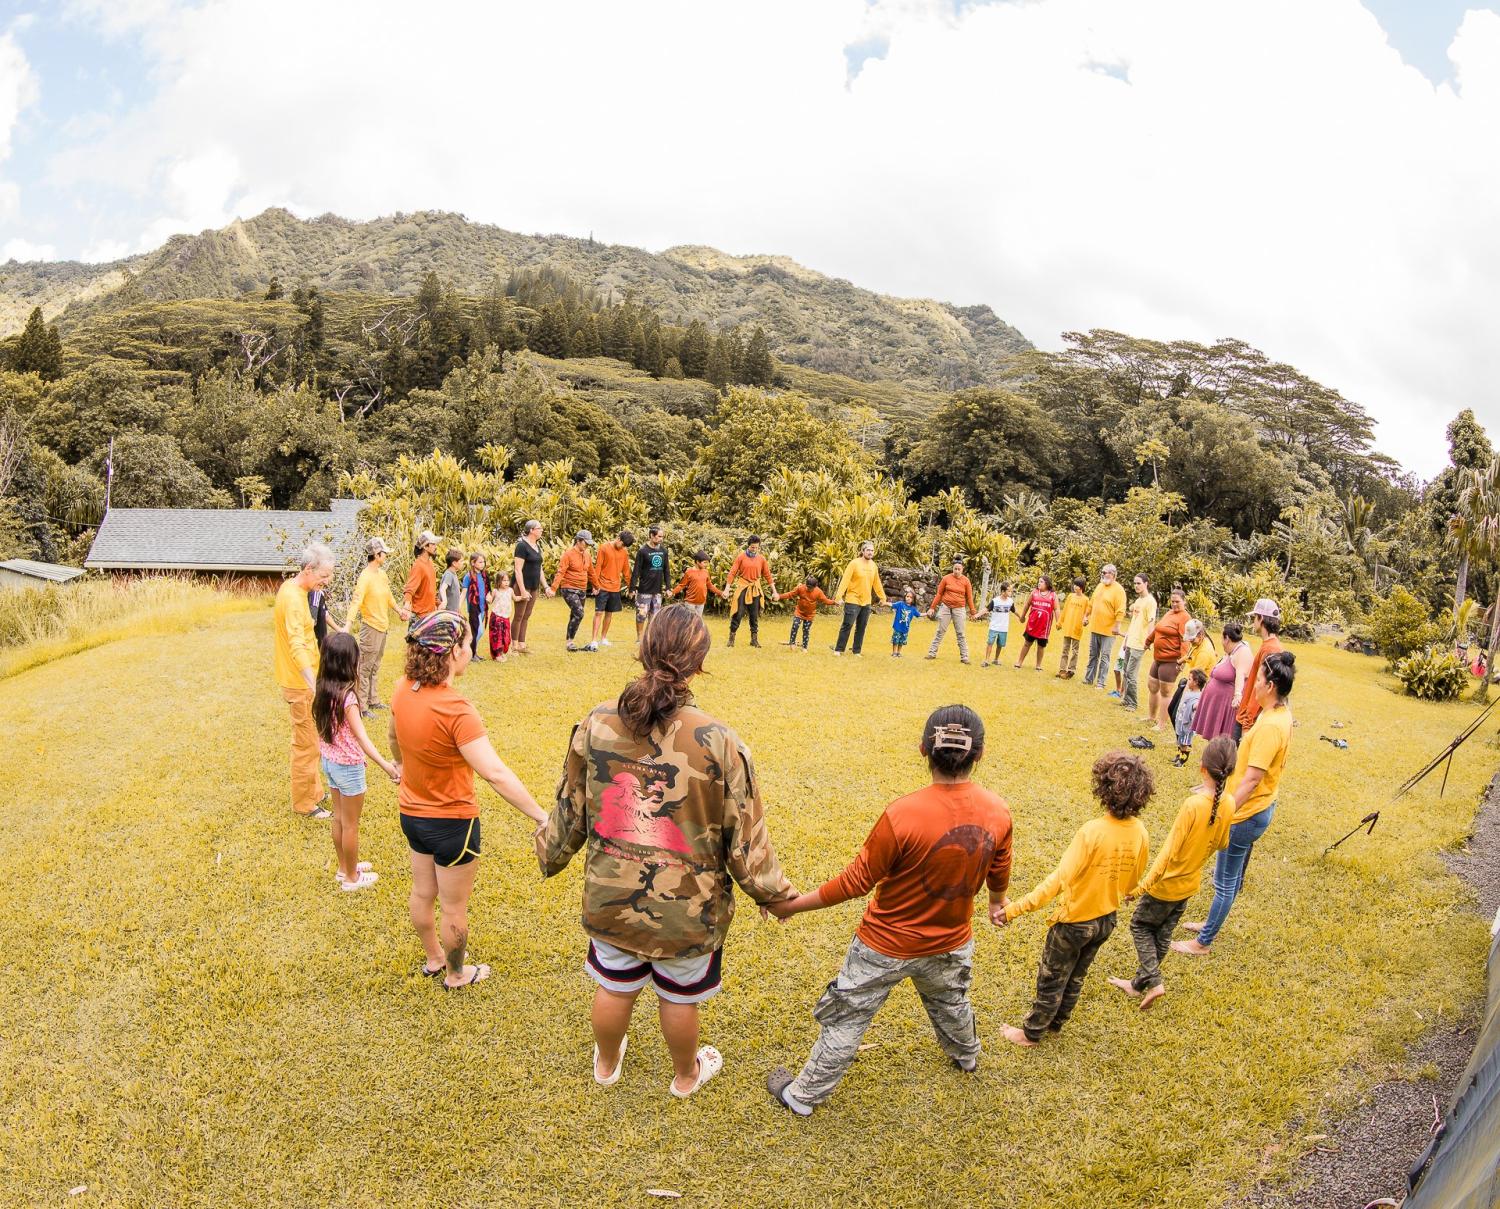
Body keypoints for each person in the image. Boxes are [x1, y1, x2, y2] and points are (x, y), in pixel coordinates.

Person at [538, 605, 797, 1096]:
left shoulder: (596, 723)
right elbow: (746, 837)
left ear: (643, 648)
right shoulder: (719, 742)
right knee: (680, 996)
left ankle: (606, 1065)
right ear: (699, 661)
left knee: (614, 984)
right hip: (687, 911)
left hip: (612, 900)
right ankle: (685, 1076)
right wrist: (773, 894)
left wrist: (550, 853)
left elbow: (570, 811)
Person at [764, 705, 1013, 1115]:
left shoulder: (902, 814)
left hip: (881, 946)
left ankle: (802, 1096)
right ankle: (966, 1056)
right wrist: (996, 901)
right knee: (952, 1003)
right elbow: (999, 870)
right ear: (979, 754)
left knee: (847, 1019)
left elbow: (854, 882)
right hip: (951, 943)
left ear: (922, 750)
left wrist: (790, 905)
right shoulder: (998, 810)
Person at [389, 612, 548, 989]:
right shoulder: (456, 709)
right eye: (466, 644)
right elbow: (495, 773)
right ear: (452, 653)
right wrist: (541, 815)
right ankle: (457, 974)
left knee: (422, 892)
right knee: (453, 907)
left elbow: (394, 736)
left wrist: (399, 762)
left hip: (411, 815)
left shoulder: (401, 688)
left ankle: (433, 958)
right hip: (453, 825)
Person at [998, 751, 1151, 1047]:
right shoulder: (1141, 832)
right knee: (1077, 974)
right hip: (1106, 921)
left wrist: (1013, 909)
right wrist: (1128, 891)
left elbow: (1058, 881)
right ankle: (1057, 1022)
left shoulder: (1092, 831)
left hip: (1074, 923)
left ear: (1103, 789)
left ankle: (1031, 1033)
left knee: (1052, 977)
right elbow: (1133, 880)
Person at [1174, 651, 1296, 957]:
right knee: (1225, 877)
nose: (1253, 683)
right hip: (1258, 807)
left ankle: (1203, 942)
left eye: (1259, 678)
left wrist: (1224, 810)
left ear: (1270, 686)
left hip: (1248, 812)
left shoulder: (1271, 726)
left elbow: (1252, 779)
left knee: (1224, 880)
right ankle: (1209, 923)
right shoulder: (1278, 714)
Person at [1107, 735, 1236, 1010]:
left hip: (1164, 887)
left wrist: (1139, 888)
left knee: (1140, 926)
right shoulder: (1231, 803)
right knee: (1163, 935)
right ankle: (1137, 985)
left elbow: (1167, 855)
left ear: (1202, 767)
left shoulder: (1193, 805)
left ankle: (1154, 981)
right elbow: (1222, 843)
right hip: (1188, 887)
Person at [314, 631, 400, 891]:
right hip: (348, 768)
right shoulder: (348, 698)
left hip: (329, 763)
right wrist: (387, 766)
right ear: (348, 663)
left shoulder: (323, 690)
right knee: (351, 824)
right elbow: (362, 739)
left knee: (339, 819)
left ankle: (344, 868)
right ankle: (352, 878)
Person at [275, 543, 334, 819]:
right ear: (308, 569)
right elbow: (297, 645)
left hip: (305, 679)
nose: (326, 581)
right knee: (306, 743)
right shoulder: (293, 599)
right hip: (300, 684)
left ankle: (316, 792)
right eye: (323, 576)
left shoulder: (295, 589)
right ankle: (304, 804)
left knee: (313, 739)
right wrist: (314, 685)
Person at [344, 537, 409, 716]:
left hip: (383, 626)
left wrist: (399, 611)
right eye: (384, 553)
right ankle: (362, 706)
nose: (386, 555)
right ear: (375, 554)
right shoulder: (365, 577)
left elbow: (388, 597)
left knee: (375, 665)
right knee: (364, 667)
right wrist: (348, 625)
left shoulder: (382, 574)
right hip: (370, 627)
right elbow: (356, 601)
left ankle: (373, 700)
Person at [1193, 623, 1252, 743]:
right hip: (1218, 702)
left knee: (1223, 740)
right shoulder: (1231, 651)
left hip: (1228, 705)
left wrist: (1237, 695)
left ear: (1227, 639)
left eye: (1222, 638)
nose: (1221, 642)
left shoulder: (1242, 652)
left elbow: (1240, 675)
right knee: (1215, 739)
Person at [1234, 599, 1284, 741]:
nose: (1253, 621)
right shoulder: (1269, 645)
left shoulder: (1270, 648)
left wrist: (1247, 723)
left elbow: (1263, 686)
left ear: (1261, 618)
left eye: (1254, 617)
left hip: (1250, 718)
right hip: (1248, 715)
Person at [1142, 587, 1189, 730]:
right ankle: (1151, 716)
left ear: (1184, 602)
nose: (1174, 604)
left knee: (1165, 691)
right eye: (1172, 601)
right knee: (1152, 685)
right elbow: (1158, 628)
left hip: (1171, 660)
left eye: (1177, 602)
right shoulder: (1169, 613)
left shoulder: (1185, 617)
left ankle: (1161, 724)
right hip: (1158, 658)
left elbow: (1185, 640)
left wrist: (1182, 660)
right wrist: (1148, 641)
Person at [832, 542, 887, 657]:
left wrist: (882, 597)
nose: (870, 552)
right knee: (847, 624)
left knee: (861, 627)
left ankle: (856, 651)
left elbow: (877, 583)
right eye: (868, 550)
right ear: (863, 551)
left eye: (872, 550)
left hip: (866, 601)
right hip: (853, 599)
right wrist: (839, 596)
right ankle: (839, 649)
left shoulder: (873, 566)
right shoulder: (854, 563)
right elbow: (845, 580)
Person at [724, 535, 780, 648]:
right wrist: (727, 589)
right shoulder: (741, 557)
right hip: (743, 587)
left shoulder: (761, 559)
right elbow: (732, 573)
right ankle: (731, 638)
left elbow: (768, 576)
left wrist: (775, 592)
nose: (754, 549)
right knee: (738, 613)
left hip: (755, 588)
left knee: (754, 615)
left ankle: (754, 640)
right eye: (752, 547)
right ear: (748, 546)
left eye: (756, 547)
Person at [1116, 574, 1158, 709]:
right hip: (1130, 641)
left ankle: (1133, 703)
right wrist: (1127, 638)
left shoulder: (1150, 602)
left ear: (1146, 583)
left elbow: (1152, 622)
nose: (1136, 586)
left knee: (1131, 674)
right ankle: (1127, 699)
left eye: (1139, 583)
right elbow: (1134, 621)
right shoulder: (1138, 601)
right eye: (1135, 583)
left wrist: (1149, 641)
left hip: (1139, 643)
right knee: (1126, 672)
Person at [1083, 565, 1127, 689]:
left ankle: (1101, 682)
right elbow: (1091, 603)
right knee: (1093, 655)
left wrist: (1117, 626)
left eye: (1105, 572)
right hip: (1095, 627)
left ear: (1113, 575)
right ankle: (1088, 679)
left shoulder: (1119, 590)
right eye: (1102, 572)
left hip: (1108, 630)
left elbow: (1120, 610)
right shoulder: (1099, 586)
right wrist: (1086, 616)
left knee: (1104, 657)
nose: (1103, 574)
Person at [589, 529, 634, 649]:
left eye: (625, 546)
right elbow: (597, 567)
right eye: (623, 544)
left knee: (609, 614)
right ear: (618, 538)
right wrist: (595, 585)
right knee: (599, 612)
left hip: (615, 588)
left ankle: (603, 638)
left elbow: (626, 571)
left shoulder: (624, 552)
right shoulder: (604, 548)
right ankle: (593, 640)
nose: (623, 547)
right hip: (602, 586)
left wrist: (631, 587)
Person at [925, 557, 975, 664]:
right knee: (940, 630)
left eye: (959, 569)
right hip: (946, 607)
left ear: (962, 569)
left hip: (959, 608)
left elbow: (969, 597)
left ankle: (964, 657)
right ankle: (932, 653)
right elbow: (939, 594)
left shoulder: (966, 581)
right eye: (955, 569)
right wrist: (932, 607)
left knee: (960, 633)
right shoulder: (946, 578)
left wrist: (972, 611)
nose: (956, 571)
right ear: (952, 568)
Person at [552, 530, 595, 652]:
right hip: (569, 588)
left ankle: (569, 641)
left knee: (574, 614)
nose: (587, 546)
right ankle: (570, 641)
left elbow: (591, 572)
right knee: (579, 613)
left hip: (582, 589)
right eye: (585, 543)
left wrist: (596, 586)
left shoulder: (587, 554)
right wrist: (553, 588)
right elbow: (561, 572)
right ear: (578, 541)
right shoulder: (568, 554)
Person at [630, 525, 672, 639]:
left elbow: (666, 570)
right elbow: (636, 570)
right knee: (641, 615)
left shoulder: (663, 551)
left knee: (654, 617)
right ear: (651, 536)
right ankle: (639, 638)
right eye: (659, 536)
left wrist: (668, 587)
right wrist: (632, 588)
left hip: (657, 591)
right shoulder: (643, 551)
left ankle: (649, 638)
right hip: (644, 590)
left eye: (662, 537)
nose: (661, 539)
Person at [512, 520, 546, 655]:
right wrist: (522, 590)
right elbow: (517, 570)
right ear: (531, 530)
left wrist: (546, 586)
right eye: (539, 528)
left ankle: (522, 644)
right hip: (522, 585)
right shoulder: (521, 545)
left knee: (526, 615)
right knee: (519, 615)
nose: (541, 530)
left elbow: (540, 569)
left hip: (534, 586)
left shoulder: (537, 546)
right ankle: (514, 645)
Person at [1014, 575, 1057, 671]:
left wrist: (1058, 622)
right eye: (1039, 581)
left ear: (1047, 583)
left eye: (1041, 582)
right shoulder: (1034, 593)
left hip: (1044, 627)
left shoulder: (1053, 595)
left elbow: (1057, 609)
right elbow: (1027, 605)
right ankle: (1019, 662)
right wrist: (1022, 616)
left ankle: (1038, 665)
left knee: (1041, 646)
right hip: (1032, 624)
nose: (1039, 583)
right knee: (1027, 643)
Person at [781, 575, 834, 649]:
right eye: (807, 587)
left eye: (811, 588)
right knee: (795, 626)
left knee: (806, 630)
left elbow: (826, 601)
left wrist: (835, 602)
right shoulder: (800, 588)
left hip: (809, 615)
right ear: (805, 585)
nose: (809, 589)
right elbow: (790, 594)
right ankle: (792, 643)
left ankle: (804, 647)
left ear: (815, 587)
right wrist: (779, 596)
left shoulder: (818, 592)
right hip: (799, 612)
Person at [668, 550, 726, 619]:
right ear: (697, 561)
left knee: (698, 623)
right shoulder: (689, 572)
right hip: (690, 603)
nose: (706, 564)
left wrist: (720, 593)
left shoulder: (706, 572)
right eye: (704, 562)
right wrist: (672, 592)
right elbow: (682, 585)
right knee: (690, 622)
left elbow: (710, 585)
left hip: (701, 603)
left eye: (707, 563)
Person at [1172, 669, 1208, 767]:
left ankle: (1183, 760)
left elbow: (1196, 707)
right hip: (1181, 721)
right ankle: (1179, 755)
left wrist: (1197, 706)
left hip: (1187, 725)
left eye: (1189, 679)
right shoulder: (1189, 692)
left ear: (1196, 682)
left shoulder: (1197, 697)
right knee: (1180, 741)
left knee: (1185, 743)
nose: (1187, 681)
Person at [1055, 578, 1089, 680]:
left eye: (1077, 585)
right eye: (1074, 585)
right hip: (1068, 628)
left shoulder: (1086, 600)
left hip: (1077, 629)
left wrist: (1086, 621)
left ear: (1082, 587)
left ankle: (1071, 671)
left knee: (1075, 651)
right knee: (1065, 649)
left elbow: (1087, 615)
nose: (1075, 587)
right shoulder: (1070, 596)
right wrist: (1060, 622)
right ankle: (1062, 669)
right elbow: (1064, 610)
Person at [403, 531, 440, 623]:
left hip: (430, 615)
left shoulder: (430, 564)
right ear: (425, 546)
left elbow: (430, 588)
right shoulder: (418, 566)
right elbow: (409, 589)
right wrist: (406, 607)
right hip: (419, 618)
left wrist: (437, 603)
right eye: (433, 544)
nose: (436, 547)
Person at [460, 552, 489, 659]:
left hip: (482, 608)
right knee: (478, 631)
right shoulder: (468, 577)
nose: (483, 564)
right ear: (473, 563)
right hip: (474, 609)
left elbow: (486, 590)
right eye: (480, 562)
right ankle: (467, 652)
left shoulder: (483, 575)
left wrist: (489, 597)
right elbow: (463, 593)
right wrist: (458, 606)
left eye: (483, 562)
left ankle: (473, 653)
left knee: (476, 632)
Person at [980, 582, 1014, 668]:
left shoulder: (1010, 601)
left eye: (1011, 591)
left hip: (1004, 628)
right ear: (1003, 591)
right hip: (994, 627)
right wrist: (977, 615)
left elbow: (1014, 610)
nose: (1010, 593)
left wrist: (1021, 617)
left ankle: (996, 659)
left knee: (1000, 644)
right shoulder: (995, 601)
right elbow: (986, 609)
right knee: (990, 643)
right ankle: (986, 660)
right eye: (1009, 591)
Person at [489, 571, 515, 661]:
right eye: (504, 580)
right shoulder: (495, 591)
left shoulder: (510, 590)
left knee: (506, 637)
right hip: (496, 617)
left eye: (508, 580)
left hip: (506, 617)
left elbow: (515, 598)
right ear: (498, 581)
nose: (506, 582)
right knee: (497, 636)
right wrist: (488, 598)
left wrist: (523, 596)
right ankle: (498, 655)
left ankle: (503, 652)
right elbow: (490, 601)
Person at [890, 586, 921, 657]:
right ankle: (894, 652)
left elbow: (919, 614)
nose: (908, 598)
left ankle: (898, 652)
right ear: (905, 597)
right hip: (898, 627)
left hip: (905, 628)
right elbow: (892, 605)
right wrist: (884, 603)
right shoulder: (900, 604)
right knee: (896, 639)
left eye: (911, 597)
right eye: (907, 596)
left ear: (913, 599)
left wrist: (927, 613)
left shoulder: (913, 608)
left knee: (901, 641)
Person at [439, 549, 465, 615]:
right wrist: (444, 601)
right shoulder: (449, 574)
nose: (463, 563)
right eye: (461, 561)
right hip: (448, 613)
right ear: (454, 563)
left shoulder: (453, 573)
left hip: (453, 612)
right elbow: (442, 589)